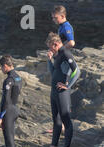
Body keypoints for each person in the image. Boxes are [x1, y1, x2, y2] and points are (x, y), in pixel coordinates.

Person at [41, 33, 80, 147]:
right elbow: (53, 73)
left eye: (51, 47)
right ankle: (54, 146)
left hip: (62, 93)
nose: (50, 49)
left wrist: (68, 86)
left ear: (56, 44)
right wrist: (49, 60)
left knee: (66, 121)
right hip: (54, 92)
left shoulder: (66, 53)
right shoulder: (58, 55)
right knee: (56, 120)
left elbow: (77, 71)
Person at [46, 5, 76, 134]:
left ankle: (63, 125)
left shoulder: (66, 26)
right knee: (57, 89)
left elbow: (72, 42)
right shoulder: (60, 27)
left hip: (64, 61)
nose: (54, 20)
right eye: (52, 18)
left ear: (63, 16)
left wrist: (60, 51)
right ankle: (58, 125)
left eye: (55, 17)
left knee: (63, 88)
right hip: (60, 60)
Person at [0, 55, 23, 147]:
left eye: (1, 67)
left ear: (5, 66)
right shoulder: (18, 77)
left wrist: (1, 116)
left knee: (9, 143)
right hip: (15, 109)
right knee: (11, 141)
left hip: (9, 112)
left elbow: (6, 100)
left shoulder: (8, 80)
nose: (1, 69)